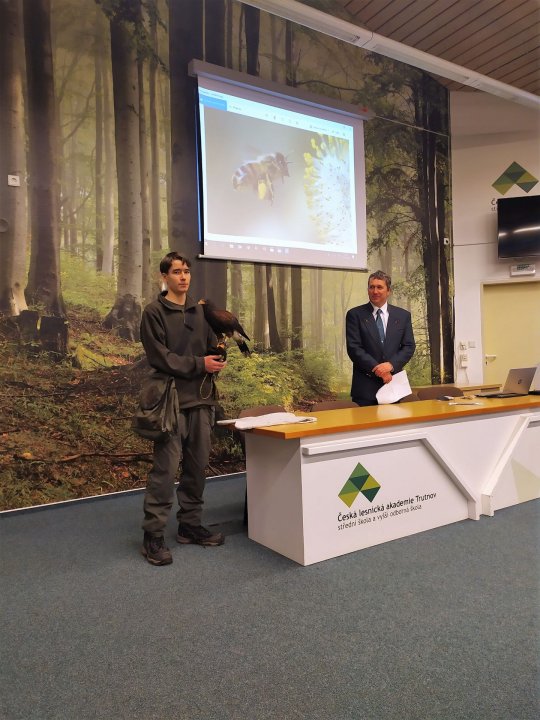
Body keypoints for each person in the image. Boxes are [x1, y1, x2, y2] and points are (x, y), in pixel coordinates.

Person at [139, 251, 227, 565]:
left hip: (201, 400)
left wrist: (218, 355)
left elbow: (211, 346)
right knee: (165, 471)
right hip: (171, 401)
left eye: (186, 271)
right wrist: (199, 364)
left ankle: (189, 525)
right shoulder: (153, 312)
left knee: (197, 468)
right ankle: (153, 535)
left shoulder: (201, 311)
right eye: (176, 271)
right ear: (164, 276)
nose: (183, 276)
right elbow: (160, 357)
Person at [346, 270, 415, 407]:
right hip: (365, 389)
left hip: (393, 387)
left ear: (388, 291)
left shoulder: (403, 316)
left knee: (395, 422)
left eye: (379, 287)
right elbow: (354, 348)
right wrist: (379, 370)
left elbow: (409, 346)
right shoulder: (355, 315)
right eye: (371, 287)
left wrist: (391, 365)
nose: (375, 291)